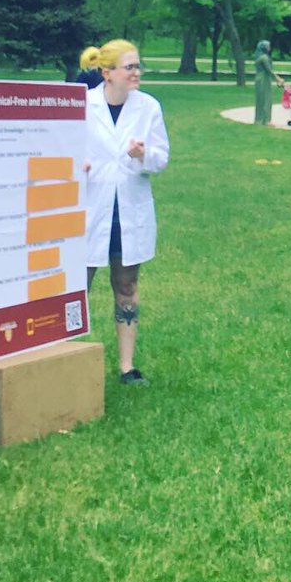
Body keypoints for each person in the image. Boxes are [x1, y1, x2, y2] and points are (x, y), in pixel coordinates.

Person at [82, 41, 171, 385]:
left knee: (127, 284)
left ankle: (126, 366)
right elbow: (64, 148)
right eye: (129, 67)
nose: (136, 73)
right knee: (78, 284)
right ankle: (65, 357)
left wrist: (142, 155)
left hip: (128, 210)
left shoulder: (148, 107)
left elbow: (162, 159)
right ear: (107, 73)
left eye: (137, 66)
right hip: (90, 205)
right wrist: (79, 165)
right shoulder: (83, 105)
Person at [253, 40, 284, 126]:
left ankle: (259, 119)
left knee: (260, 99)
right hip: (264, 79)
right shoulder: (264, 58)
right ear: (264, 47)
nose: (269, 47)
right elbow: (269, 71)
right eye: (268, 46)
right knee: (266, 99)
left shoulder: (259, 57)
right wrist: (278, 79)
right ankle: (265, 120)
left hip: (260, 79)